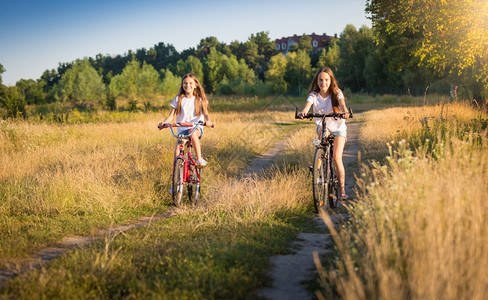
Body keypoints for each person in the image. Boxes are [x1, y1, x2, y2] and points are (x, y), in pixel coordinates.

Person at [298, 67, 350, 200]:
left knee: (337, 158)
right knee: (322, 133)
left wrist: (344, 112)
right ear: (317, 81)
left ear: (330, 80)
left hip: (338, 128)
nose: (323, 83)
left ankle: (342, 190)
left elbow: (342, 104)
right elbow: (307, 105)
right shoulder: (314, 95)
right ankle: (319, 162)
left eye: (326, 80)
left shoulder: (336, 93)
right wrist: (304, 112)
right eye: (320, 80)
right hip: (324, 126)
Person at [159, 73, 213, 167]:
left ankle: (199, 159)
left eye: (190, 83)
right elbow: (171, 116)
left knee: (192, 132)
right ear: (182, 85)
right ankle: (177, 176)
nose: (187, 85)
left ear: (195, 85)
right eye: (185, 83)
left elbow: (206, 114)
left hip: (195, 128)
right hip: (182, 129)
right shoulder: (178, 99)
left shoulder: (200, 100)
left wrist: (208, 121)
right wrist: (164, 122)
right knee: (178, 149)